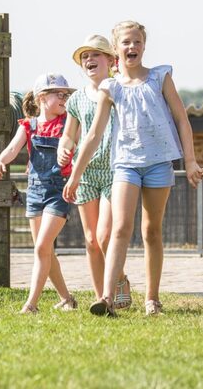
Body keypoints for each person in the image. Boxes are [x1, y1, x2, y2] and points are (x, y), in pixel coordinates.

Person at [63, 21, 203, 316]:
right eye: (126, 42)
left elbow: (181, 119)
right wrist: (75, 175)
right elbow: (93, 135)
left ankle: (152, 299)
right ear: (115, 50)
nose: (132, 47)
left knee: (151, 230)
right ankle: (107, 297)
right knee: (120, 229)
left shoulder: (160, 77)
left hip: (158, 163)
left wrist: (190, 160)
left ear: (143, 46)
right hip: (125, 164)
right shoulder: (110, 88)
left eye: (137, 42)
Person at [0, 73, 77, 314]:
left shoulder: (68, 123)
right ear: (42, 98)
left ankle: (31, 304)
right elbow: (12, 149)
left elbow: (77, 145)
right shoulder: (28, 125)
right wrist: (0, 162)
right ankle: (67, 299)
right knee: (45, 250)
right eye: (58, 94)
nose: (64, 98)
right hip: (35, 191)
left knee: (41, 247)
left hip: (58, 191)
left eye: (66, 94)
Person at [57, 35, 131, 310]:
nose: (89, 60)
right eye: (85, 57)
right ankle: (102, 299)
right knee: (90, 241)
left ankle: (119, 280)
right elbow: (69, 135)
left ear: (111, 61)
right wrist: (63, 148)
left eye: (95, 55)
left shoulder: (120, 89)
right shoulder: (76, 99)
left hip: (115, 170)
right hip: (85, 173)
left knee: (105, 236)